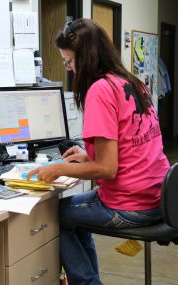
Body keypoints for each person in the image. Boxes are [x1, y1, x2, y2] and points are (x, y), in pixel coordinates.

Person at [27, 18, 170, 285]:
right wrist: (85, 158)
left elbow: (107, 169)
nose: (70, 70)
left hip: (132, 204)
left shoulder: (100, 90)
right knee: (75, 216)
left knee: (57, 214)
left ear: (86, 58)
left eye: (69, 62)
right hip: (157, 196)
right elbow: (131, 146)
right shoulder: (131, 82)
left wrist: (57, 168)